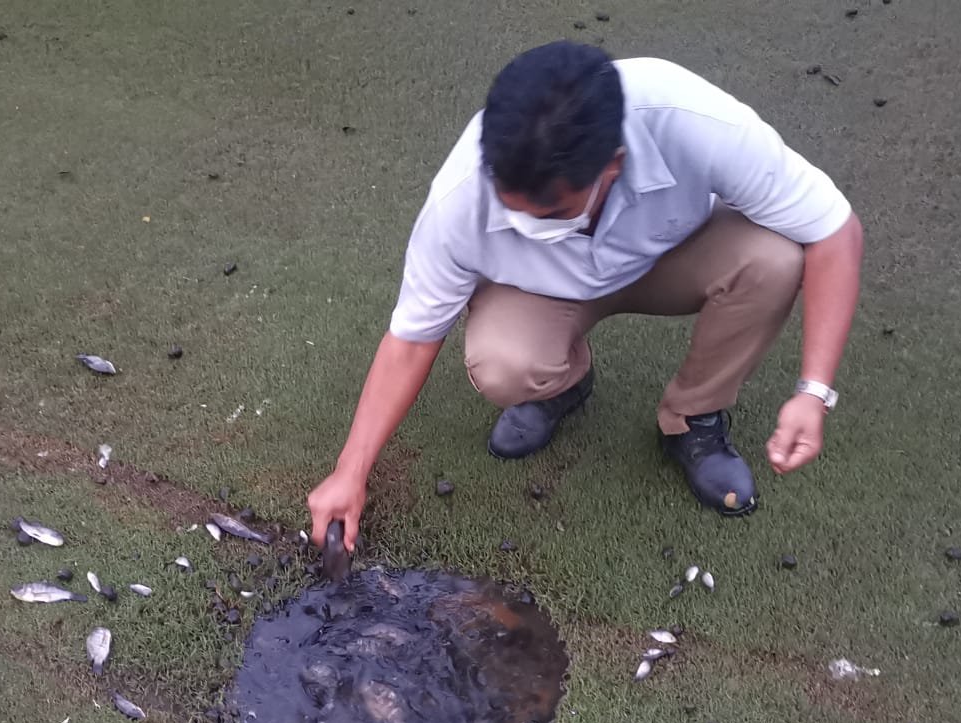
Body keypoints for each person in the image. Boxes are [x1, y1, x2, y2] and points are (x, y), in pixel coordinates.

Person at [308, 42, 863, 549]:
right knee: (504, 363)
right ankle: (562, 384)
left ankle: (693, 415)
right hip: (543, 289)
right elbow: (410, 340)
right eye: (511, 207)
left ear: (612, 163)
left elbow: (835, 231)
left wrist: (813, 392)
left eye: (546, 212)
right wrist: (350, 471)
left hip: (672, 253)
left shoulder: (690, 117)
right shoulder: (461, 198)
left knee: (775, 259)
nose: (522, 219)